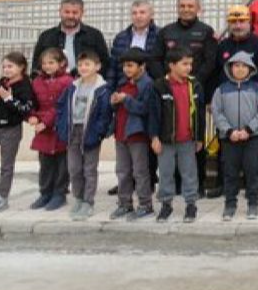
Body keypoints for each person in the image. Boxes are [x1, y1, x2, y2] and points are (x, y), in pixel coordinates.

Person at [158, 0, 218, 192]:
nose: (186, 9)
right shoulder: (166, 32)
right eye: (182, 6)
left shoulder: (206, 32)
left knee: (195, 136)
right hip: (170, 92)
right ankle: (175, 184)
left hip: (195, 91)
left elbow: (210, 61)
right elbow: (156, 59)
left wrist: (193, 82)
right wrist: (167, 82)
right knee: (172, 134)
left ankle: (197, 184)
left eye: (190, 6)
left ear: (198, 8)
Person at [54, 50, 113, 222]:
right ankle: (78, 199)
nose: (83, 68)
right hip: (73, 131)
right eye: (80, 65)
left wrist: (99, 131)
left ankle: (88, 202)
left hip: (91, 132)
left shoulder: (103, 89)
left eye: (87, 64)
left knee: (89, 169)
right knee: (74, 169)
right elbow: (60, 107)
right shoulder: (72, 87)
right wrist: (61, 126)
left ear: (97, 66)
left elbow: (105, 113)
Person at [211, 52, 258, 222]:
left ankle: (253, 203)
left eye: (244, 66)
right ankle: (230, 205)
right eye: (236, 65)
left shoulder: (257, 88)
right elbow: (217, 112)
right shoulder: (221, 89)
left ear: (251, 69)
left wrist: (248, 130)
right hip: (230, 139)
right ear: (230, 68)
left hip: (253, 138)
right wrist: (229, 131)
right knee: (230, 173)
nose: (240, 69)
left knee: (253, 171)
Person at [152, 48, 206, 224]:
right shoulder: (159, 86)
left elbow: (200, 114)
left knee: (189, 173)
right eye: (184, 64)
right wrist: (154, 137)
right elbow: (154, 114)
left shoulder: (195, 85)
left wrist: (200, 137)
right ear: (172, 65)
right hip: (166, 140)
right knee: (166, 173)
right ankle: (166, 204)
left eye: (190, 64)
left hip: (188, 139)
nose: (189, 67)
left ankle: (191, 204)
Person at [107, 48, 158, 221]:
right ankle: (125, 204)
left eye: (130, 65)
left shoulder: (148, 84)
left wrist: (126, 99)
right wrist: (115, 101)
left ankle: (145, 204)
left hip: (137, 135)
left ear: (142, 66)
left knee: (140, 172)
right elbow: (118, 108)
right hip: (121, 133)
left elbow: (145, 109)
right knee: (122, 171)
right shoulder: (124, 83)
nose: (126, 69)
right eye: (124, 66)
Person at [27, 48, 74, 212]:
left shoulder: (68, 81)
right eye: (44, 63)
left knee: (62, 163)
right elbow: (32, 102)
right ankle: (45, 193)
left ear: (62, 63)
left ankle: (59, 194)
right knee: (45, 163)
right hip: (43, 129)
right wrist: (32, 116)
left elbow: (61, 105)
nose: (47, 66)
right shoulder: (37, 81)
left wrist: (45, 122)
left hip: (60, 127)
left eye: (51, 62)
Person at [0, 52, 36, 214]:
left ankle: (2, 197)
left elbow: (25, 109)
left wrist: (8, 98)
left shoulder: (25, 86)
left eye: (10, 66)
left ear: (21, 67)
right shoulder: (3, 81)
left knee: (6, 165)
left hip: (10, 129)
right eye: (4, 66)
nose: (6, 69)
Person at [32, 0, 111, 74]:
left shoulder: (95, 35)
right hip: (52, 82)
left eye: (75, 12)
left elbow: (104, 63)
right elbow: (37, 64)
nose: (70, 16)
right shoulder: (46, 36)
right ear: (60, 12)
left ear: (82, 13)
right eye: (67, 12)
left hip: (86, 81)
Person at [107, 0, 163, 86]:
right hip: (124, 86)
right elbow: (113, 67)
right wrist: (110, 87)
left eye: (142, 12)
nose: (138, 16)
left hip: (152, 87)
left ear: (151, 15)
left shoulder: (160, 35)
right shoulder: (120, 37)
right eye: (134, 13)